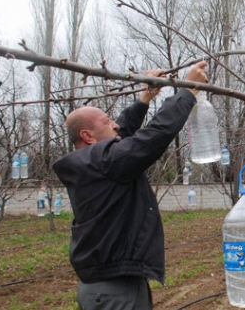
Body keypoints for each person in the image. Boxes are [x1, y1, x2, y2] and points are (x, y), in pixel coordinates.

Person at [52, 61, 208, 310]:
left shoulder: (93, 162)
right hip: (113, 291)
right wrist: (187, 92)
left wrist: (145, 98)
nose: (115, 124)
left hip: (112, 285)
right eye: (106, 121)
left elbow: (121, 133)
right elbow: (153, 137)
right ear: (87, 136)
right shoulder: (103, 162)